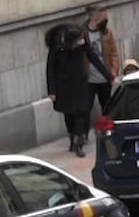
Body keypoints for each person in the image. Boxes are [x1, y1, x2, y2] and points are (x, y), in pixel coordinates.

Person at [45, 23, 111, 158]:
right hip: (64, 86)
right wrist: (52, 91)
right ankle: (72, 137)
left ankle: (79, 143)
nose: (81, 41)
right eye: (78, 39)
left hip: (80, 83)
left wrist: (109, 77)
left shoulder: (82, 45)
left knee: (82, 113)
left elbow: (95, 59)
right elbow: (50, 69)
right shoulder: (57, 48)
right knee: (69, 115)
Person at [82, 6, 119, 114]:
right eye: (104, 18)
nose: (106, 21)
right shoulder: (82, 34)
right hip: (88, 79)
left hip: (105, 77)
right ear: (96, 19)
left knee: (107, 107)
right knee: (86, 108)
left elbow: (114, 53)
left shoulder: (107, 33)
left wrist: (113, 72)